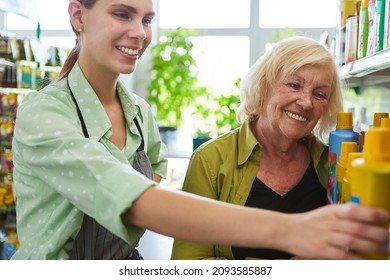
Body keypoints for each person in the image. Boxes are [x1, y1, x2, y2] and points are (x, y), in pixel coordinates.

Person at [11, 0, 389, 260]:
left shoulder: (139, 112)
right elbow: (135, 198)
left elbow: (153, 168)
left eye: (146, 20)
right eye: (122, 14)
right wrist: (294, 232)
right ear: (78, 15)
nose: (139, 33)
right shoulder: (45, 113)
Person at [171, 36, 387, 260]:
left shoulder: (330, 163)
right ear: (263, 85)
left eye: (319, 94)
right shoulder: (210, 160)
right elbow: (189, 264)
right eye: (294, 85)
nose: (306, 102)